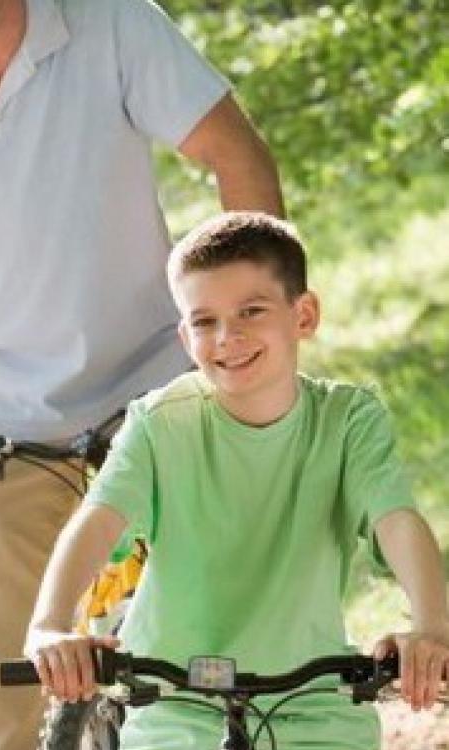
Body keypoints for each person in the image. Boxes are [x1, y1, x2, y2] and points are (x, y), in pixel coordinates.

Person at [0, 0, 283, 746]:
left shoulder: (114, 25)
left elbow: (238, 156)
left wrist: (254, 339)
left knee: (228, 675)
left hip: (161, 395)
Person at [28, 212, 449, 748]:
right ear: (184, 335)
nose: (228, 336)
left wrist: (433, 626)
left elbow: (397, 520)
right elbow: (98, 521)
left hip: (314, 704)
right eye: (204, 321)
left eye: (252, 310)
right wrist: (49, 623)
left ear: (304, 315)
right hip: (175, 705)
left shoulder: (348, 421)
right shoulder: (161, 423)